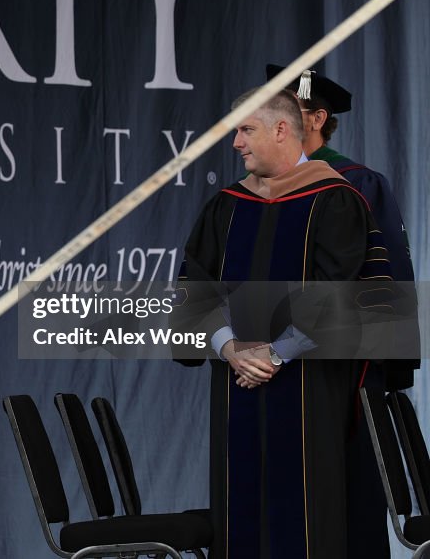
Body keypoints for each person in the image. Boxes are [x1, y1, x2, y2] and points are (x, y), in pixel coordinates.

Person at [172, 89, 392, 559]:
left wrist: (272, 355)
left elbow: (341, 296)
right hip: (236, 386)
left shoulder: (336, 200)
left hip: (313, 391)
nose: (235, 142)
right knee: (238, 515)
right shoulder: (226, 207)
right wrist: (231, 348)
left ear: (280, 129)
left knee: (308, 520)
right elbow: (194, 289)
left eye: (246, 129)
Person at [269, 64, 419, 559]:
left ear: (315, 119)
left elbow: (388, 277)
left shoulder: (355, 183)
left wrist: (387, 367)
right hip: (272, 370)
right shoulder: (256, 191)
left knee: (346, 499)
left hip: (342, 371)